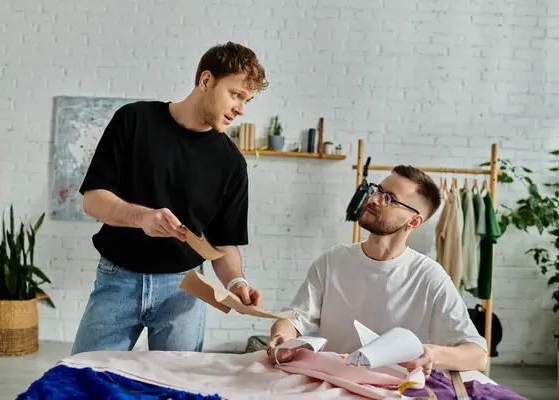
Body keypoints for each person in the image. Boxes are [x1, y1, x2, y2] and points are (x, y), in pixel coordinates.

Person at [71, 41, 268, 355]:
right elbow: (93, 200)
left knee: (177, 388)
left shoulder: (231, 163)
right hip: (117, 280)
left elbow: (224, 243)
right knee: (84, 379)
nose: (241, 109)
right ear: (206, 81)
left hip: (185, 291)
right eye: (236, 94)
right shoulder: (134, 120)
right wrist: (143, 218)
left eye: (247, 100)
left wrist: (236, 284)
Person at [266, 165, 488, 376]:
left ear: (414, 221)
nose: (372, 199)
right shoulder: (332, 261)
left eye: (389, 198)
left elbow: (478, 355)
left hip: (393, 389)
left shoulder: (429, 276)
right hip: (331, 382)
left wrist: (432, 354)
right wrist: (282, 336)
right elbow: (294, 318)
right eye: (378, 190)